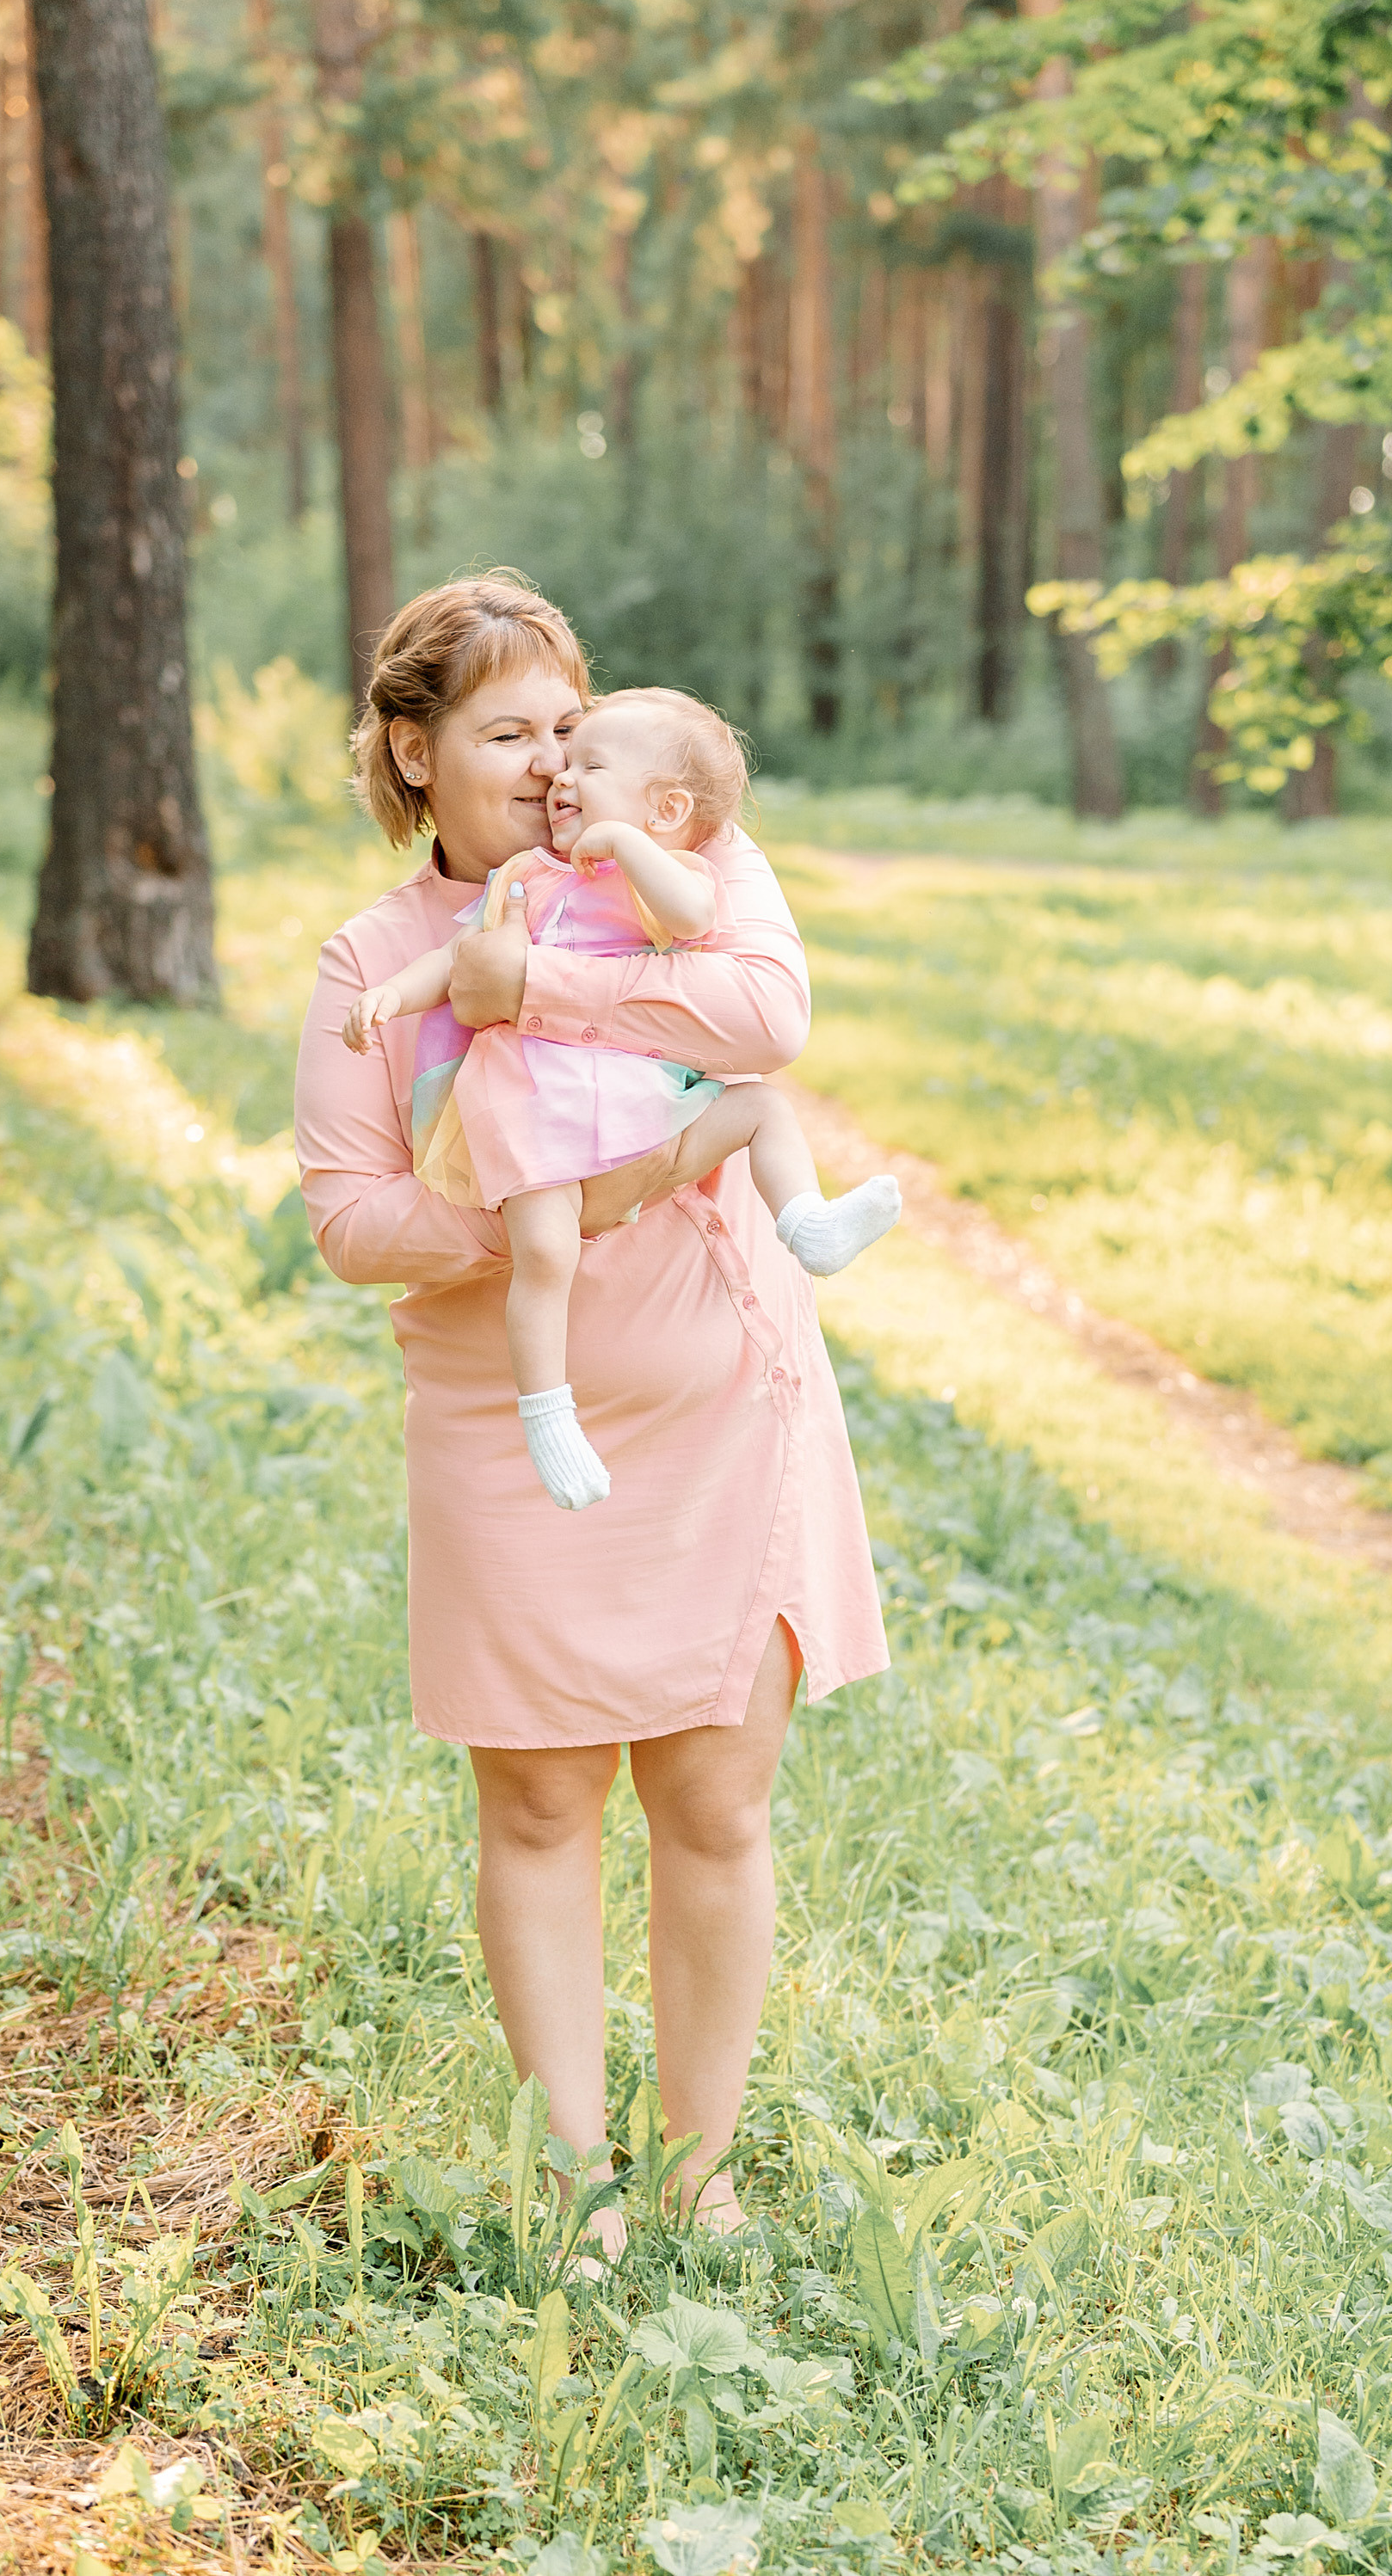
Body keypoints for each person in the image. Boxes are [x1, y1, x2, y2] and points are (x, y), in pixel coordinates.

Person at [293, 572, 890, 2248]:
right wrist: (600, 1193)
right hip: (509, 1418)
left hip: (718, 1405)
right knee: (542, 1801)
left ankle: (698, 2166)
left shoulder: (677, 854)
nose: (553, 762)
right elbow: (351, 1222)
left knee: (714, 1799)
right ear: (414, 752)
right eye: (505, 734)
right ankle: (577, 2178)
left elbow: (764, 1020)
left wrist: (537, 998)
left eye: (568, 724)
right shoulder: (375, 955)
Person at [338, 683, 902, 1511]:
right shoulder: (527, 874)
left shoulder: (669, 872)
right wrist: (393, 993)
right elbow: (463, 963)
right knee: (546, 1254)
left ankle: (806, 1223)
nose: (561, 774)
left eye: (586, 760)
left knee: (764, 1108)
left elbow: (693, 917)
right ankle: (547, 1410)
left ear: (665, 809)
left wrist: (624, 847)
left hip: (639, 1111)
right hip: (536, 1111)